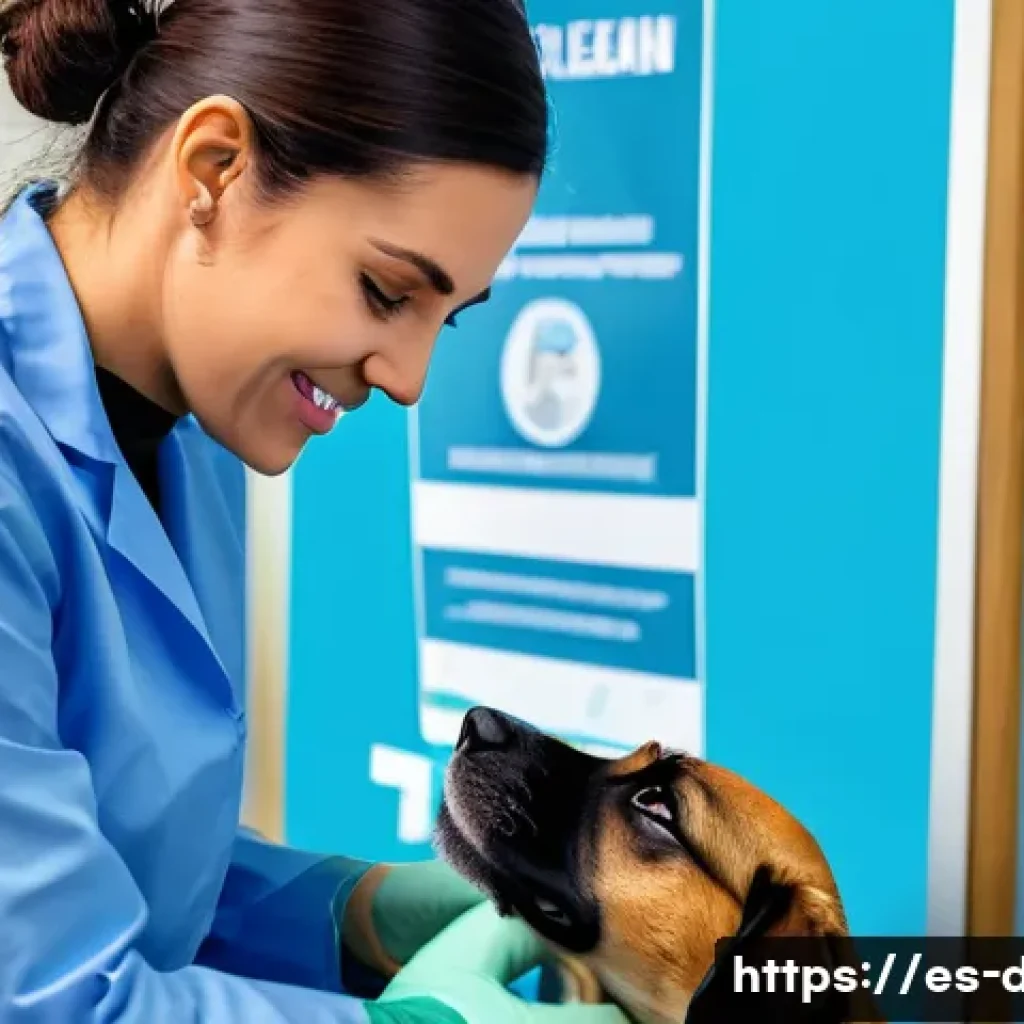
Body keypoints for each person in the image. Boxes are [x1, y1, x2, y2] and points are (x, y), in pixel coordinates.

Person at [0, 1, 631, 1022]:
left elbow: (101, 859)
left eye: (448, 316)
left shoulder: (194, 443)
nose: (411, 378)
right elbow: (49, 996)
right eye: (387, 293)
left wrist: (343, 917)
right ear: (212, 168)